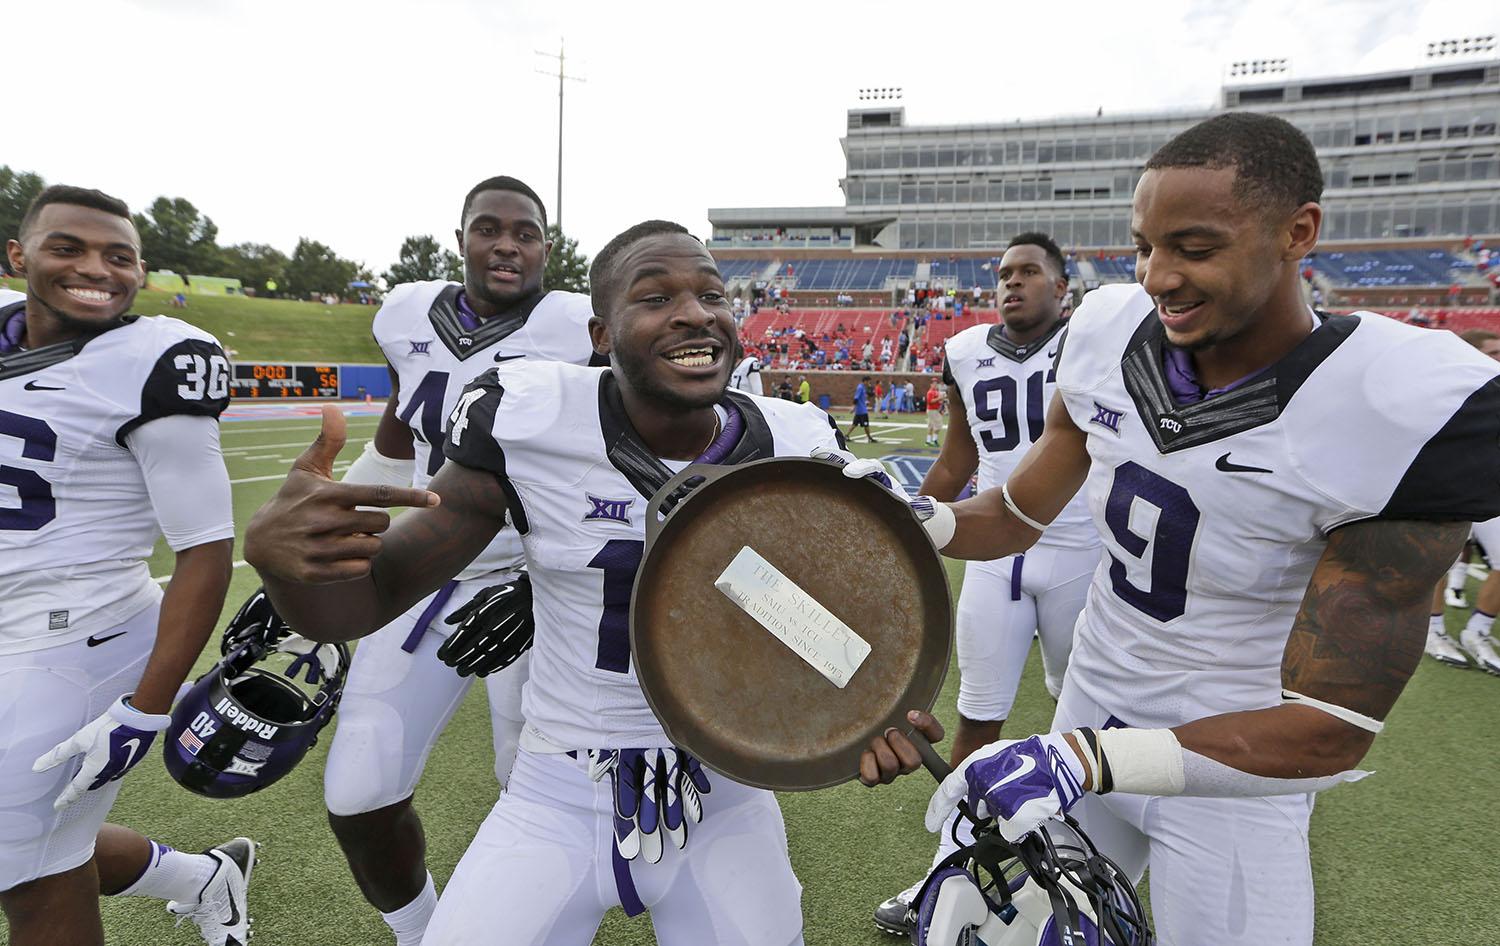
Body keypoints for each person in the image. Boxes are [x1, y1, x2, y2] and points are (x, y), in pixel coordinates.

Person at [857, 113, 1500, 945]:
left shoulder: (1395, 402)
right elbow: (1016, 516)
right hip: (1094, 697)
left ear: (1297, 232)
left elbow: (1329, 728)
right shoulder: (1106, 329)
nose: (1159, 276)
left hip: (1232, 762)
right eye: (1143, 247)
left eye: (1194, 247)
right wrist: (926, 518)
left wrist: (1086, 760)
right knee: (1003, 931)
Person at [244, 221, 851, 945]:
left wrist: (869, 715)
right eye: (656, 297)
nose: (694, 312)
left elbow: (839, 642)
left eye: (712, 294)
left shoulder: (795, 441)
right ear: (600, 334)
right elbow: (365, 601)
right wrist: (280, 564)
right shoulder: (530, 419)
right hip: (560, 788)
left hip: (726, 795)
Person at [306, 175, 600, 946]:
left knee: (535, 786)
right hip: (432, 567)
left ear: (547, 246)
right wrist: (339, 543)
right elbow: (400, 435)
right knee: (359, 792)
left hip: (543, 579)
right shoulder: (406, 311)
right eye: (489, 228)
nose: (507, 244)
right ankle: (421, 934)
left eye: (527, 232)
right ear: (461, 236)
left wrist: (559, 580)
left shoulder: (579, 328)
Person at [0, 186, 253, 946]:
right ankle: (202, 878)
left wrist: (145, 708)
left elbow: (206, 550)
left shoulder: (152, 361)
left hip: (81, 634)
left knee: (29, 874)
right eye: (67, 248)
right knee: (24, 844)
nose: (94, 269)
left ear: (141, 272)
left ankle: (201, 879)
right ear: (18, 257)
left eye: (118, 256)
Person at [871, 233, 1102, 934]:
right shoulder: (966, 350)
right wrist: (891, 523)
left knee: (1081, 723)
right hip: (996, 554)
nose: (1012, 283)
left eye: (1030, 272)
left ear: (1063, 288)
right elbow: (955, 460)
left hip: (1081, 551)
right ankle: (951, 867)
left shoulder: (1093, 342)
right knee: (977, 714)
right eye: (1003, 274)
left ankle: (1081, 876)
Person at [1425, 329, 1500, 675]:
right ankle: (1434, 631)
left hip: (1490, 487)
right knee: (1441, 560)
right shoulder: (1449, 388)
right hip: (1449, 487)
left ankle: (1477, 632)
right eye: (1494, 352)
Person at [845, 374, 877, 443]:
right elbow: (856, 398)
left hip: (860, 410)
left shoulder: (863, 387)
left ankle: (846, 435)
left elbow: (868, 395)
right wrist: (853, 407)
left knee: (854, 424)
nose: (869, 383)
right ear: (865, 381)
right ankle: (869, 438)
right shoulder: (860, 387)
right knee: (866, 424)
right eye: (868, 381)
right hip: (862, 410)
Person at [923, 377, 944, 445]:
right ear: (931, 384)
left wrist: (941, 400)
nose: (935, 385)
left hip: (935, 410)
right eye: (933, 384)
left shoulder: (936, 391)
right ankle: (934, 440)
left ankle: (928, 441)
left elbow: (938, 401)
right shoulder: (930, 392)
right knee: (938, 425)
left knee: (931, 426)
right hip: (932, 410)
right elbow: (930, 401)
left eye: (936, 383)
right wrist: (939, 398)